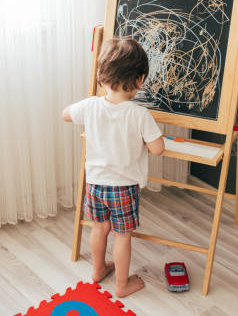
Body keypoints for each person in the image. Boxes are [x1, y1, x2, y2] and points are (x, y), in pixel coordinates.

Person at [62, 37, 164, 297]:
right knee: (122, 236)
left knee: (99, 228)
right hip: (123, 188)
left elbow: (65, 114)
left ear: (102, 76)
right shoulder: (140, 115)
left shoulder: (91, 105)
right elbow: (158, 148)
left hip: (94, 184)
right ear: (139, 80)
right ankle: (121, 285)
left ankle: (97, 270)